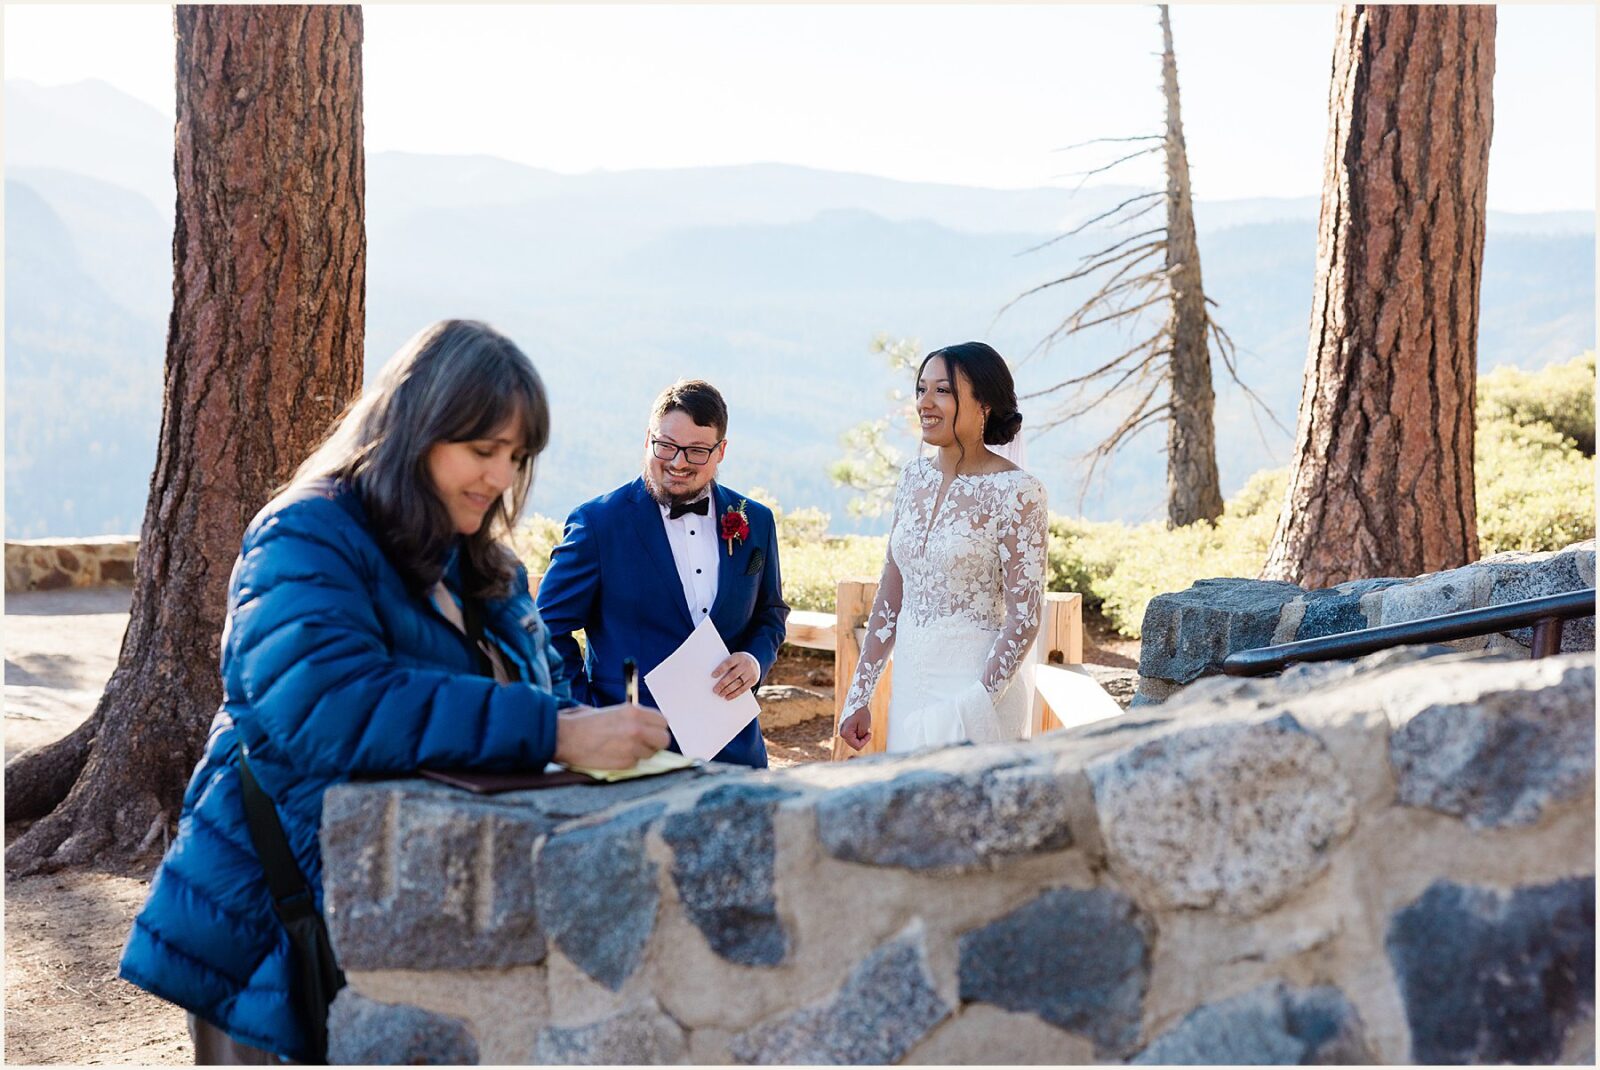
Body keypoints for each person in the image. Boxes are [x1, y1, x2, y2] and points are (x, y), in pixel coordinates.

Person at [118, 320, 668, 1064]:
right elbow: (326, 706)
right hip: (279, 928)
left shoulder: (485, 565)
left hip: (407, 923)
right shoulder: (306, 533)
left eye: (516, 457)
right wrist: (555, 732)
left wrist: (599, 733)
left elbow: (534, 688)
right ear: (419, 426)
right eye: (483, 450)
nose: (501, 478)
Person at [537, 379, 789, 769]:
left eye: (696, 450)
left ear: (721, 451)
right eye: (666, 445)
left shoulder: (755, 520)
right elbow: (546, 629)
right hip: (630, 752)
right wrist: (588, 714)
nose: (678, 462)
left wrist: (754, 661)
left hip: (736, 752)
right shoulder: (598, 523)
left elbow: (771, 612)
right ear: (647, 439)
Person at [837, 341, 1047, 753]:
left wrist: (976, 704)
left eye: (943, 390)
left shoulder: (1018, 491)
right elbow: (889, 599)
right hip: (910, 689)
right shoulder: (912, 478)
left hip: (976, 693)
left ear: (984, 404)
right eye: (921, 389)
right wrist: (859, 695)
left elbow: (1024, 618)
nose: (925, 403)